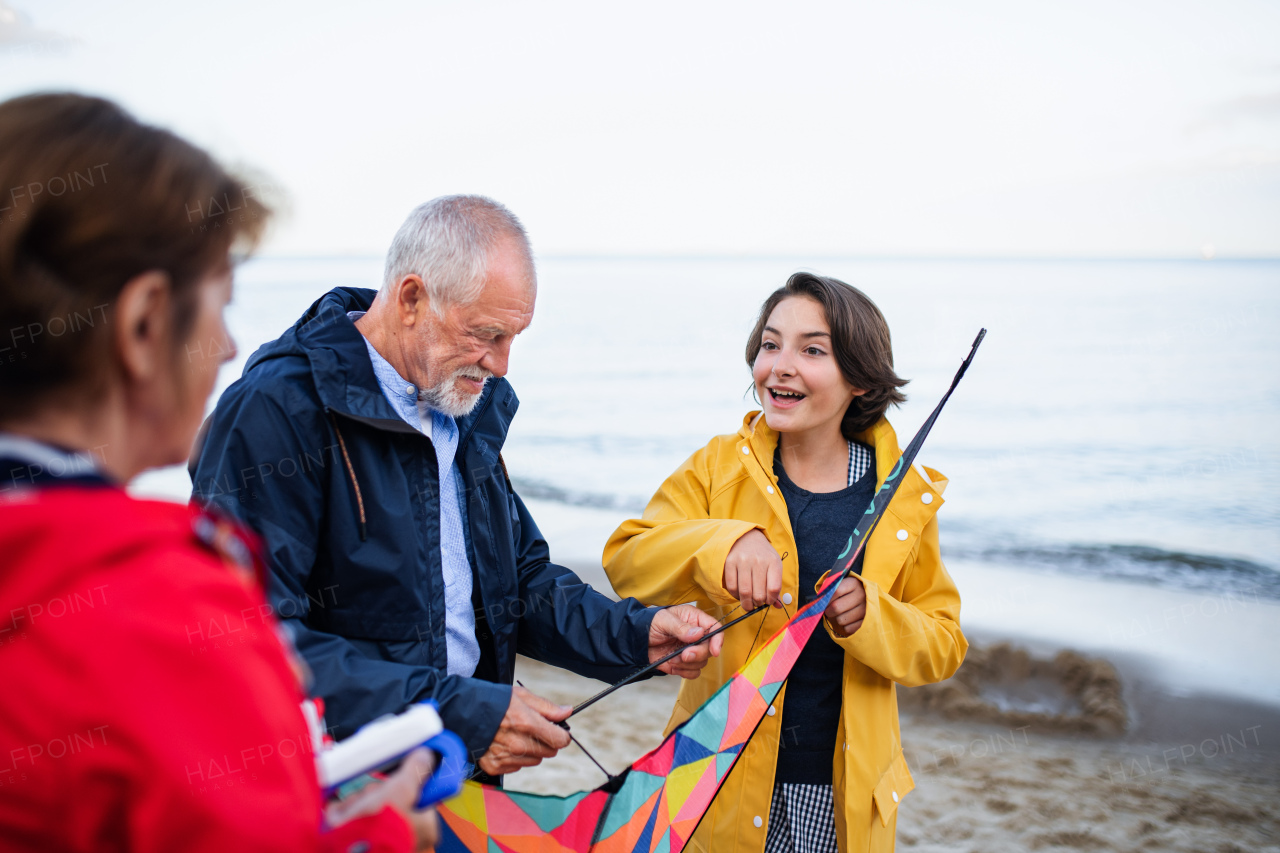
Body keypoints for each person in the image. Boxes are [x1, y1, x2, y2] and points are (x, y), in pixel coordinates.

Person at [0, 93, 438, 851]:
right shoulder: (154, 605)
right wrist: (390, 831)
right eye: (220, 307)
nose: (230, 348)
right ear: (143, 326)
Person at [189, 195, 723, 777]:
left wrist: (636, 633)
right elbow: (247, 644)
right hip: (338, 785)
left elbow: (516, 582)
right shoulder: (277, 410)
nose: (502, 365)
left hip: (459, 770)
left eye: (514, 336)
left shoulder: (460, 401)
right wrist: (461, 712)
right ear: (412, 298)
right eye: (486, 334)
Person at [603, 273, 968, 853]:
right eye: (770, 345)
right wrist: (724, 544)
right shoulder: (717, 468)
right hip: (717, 778)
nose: (780, 365)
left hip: (840, 794)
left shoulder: (901, 499)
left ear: (860, 379)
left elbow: (943, 644)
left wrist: (872, 616)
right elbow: (629, 556)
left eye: (812, 350)